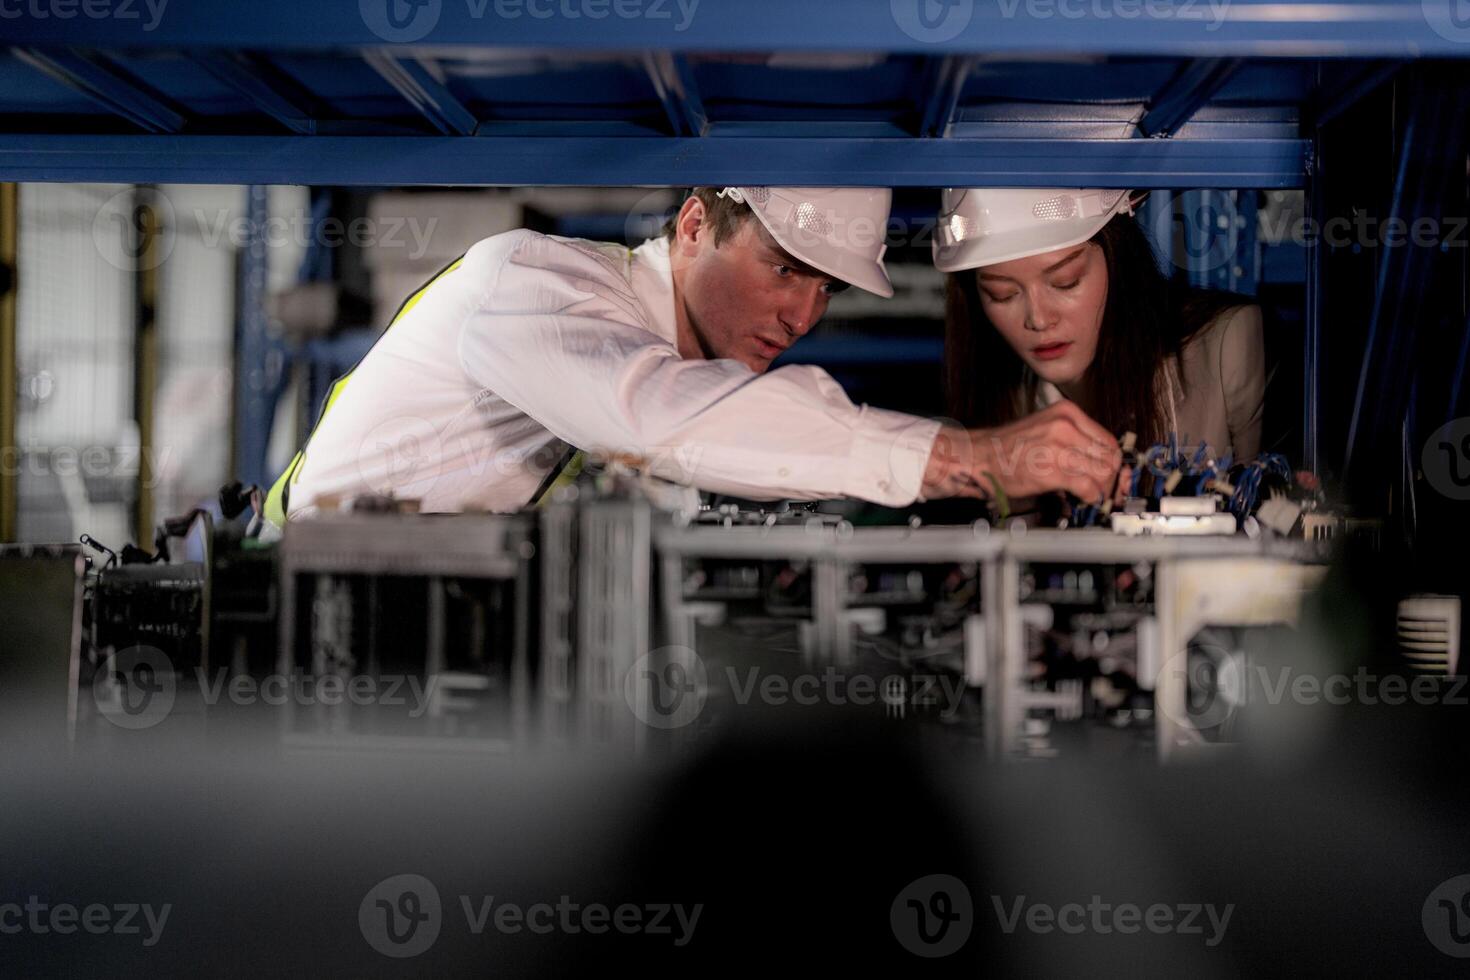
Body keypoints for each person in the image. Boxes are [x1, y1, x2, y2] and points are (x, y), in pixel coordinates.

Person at [264, 186, 1121, 527]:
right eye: (784, 269)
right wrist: (965, 455)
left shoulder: (643, 338)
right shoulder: (535, 277)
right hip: (304, 628)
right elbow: (653, 415)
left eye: (827, 289)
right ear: (692, 226)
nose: (802, 313)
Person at [935, 187, 1266, 507]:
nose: (1038, 319)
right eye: (1002, 294)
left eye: (1066, 281)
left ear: (1119, 259)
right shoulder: (998, 409)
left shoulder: (1229, 345)